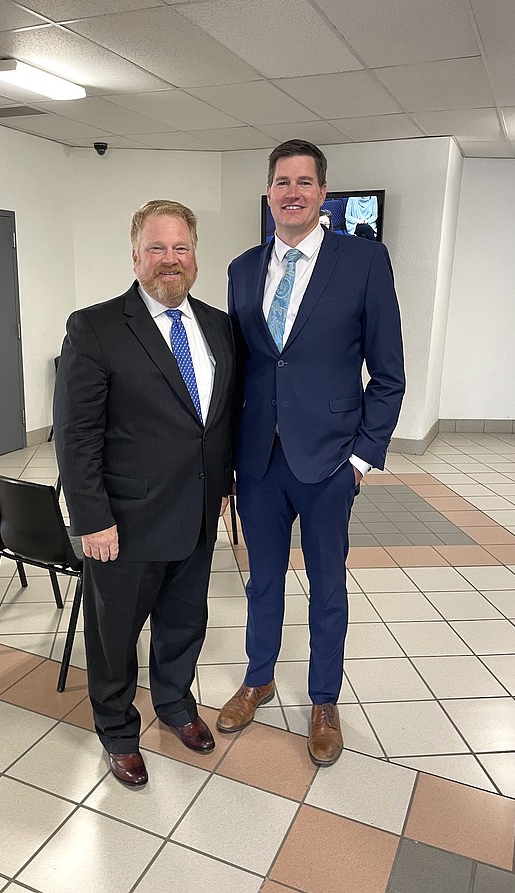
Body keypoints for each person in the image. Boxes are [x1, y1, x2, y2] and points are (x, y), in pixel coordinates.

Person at [218, 140, 405, 766]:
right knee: (262, 580)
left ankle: (324, 699)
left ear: (323, 193)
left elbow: (387, 373)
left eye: (304, 181)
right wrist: (226, 464)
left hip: (328, 462)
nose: (292, 192)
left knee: (327, 586)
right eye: (281, 181)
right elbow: (242, 369)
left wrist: (362, 458)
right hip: (259, 462)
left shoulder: (364, 262)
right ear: (268, 192)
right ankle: (259, 678)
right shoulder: (243, 268)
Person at [54, 200, 234, 787]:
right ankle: (117, 728)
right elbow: (76, 434)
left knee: (184, 623)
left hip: (198, 513)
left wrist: (226, 485)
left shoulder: (218, 326)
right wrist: (91, 519)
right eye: (156, 248)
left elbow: (218, 419)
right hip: (124, 523)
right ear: (135, 257)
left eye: (180, 247)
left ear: (195, 255)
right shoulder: (97, 327)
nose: (169, 260)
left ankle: (177, 705)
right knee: (115, 635)